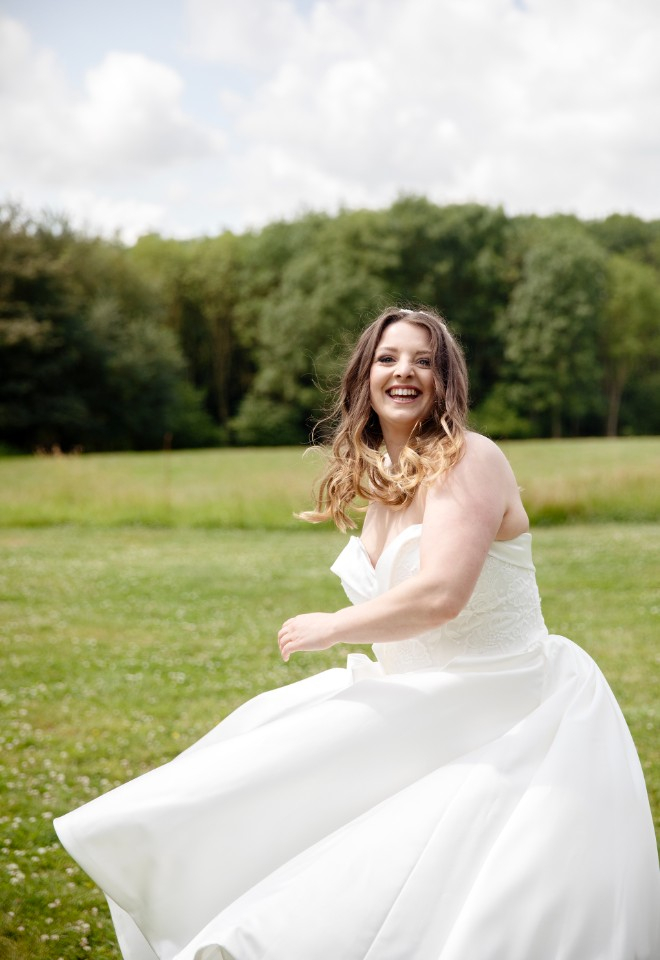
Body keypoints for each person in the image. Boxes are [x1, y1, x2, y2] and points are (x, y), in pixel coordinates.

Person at [54, 306, 659, 960]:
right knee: (236, 790)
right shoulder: (386, 482)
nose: (406, 371)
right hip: (419, 706)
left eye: (424, 361)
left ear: (445, 380)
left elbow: (440, 595)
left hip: (498, 708)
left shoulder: (470, 459)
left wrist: (333, 626)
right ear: (364, 375)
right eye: (389, 358)